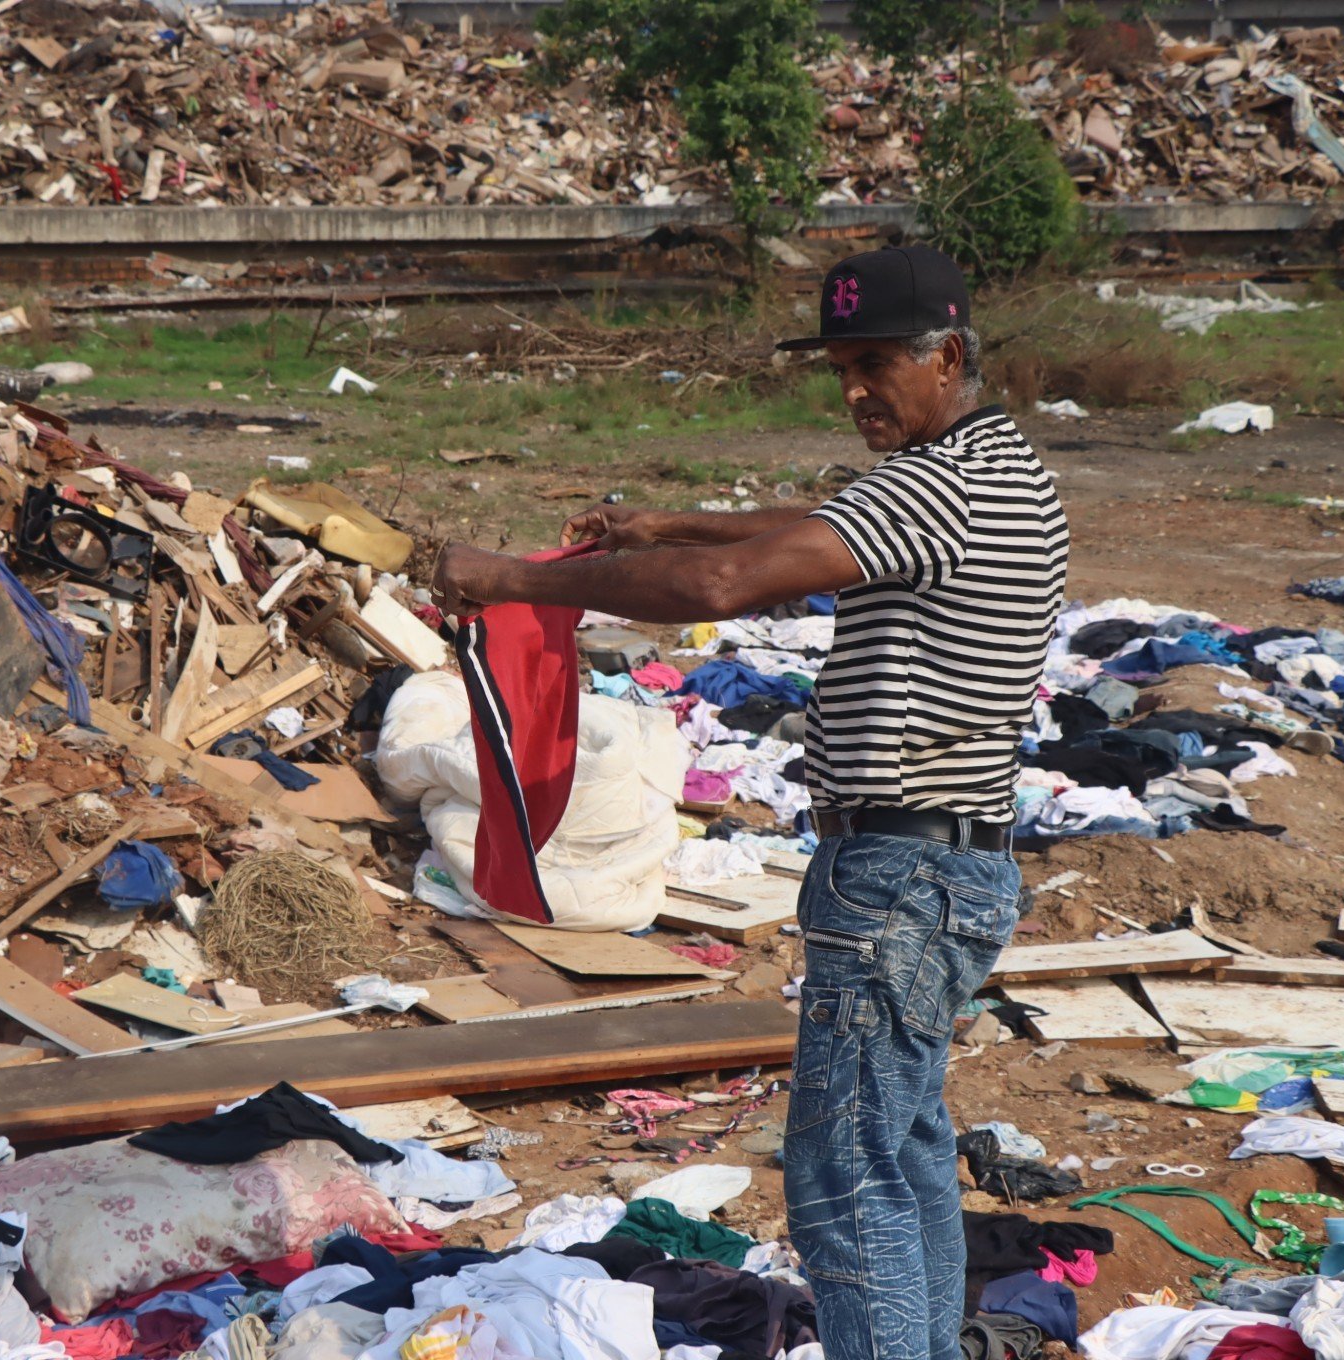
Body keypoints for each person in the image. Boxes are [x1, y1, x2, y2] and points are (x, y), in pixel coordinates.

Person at [431, 245, 1069, 1360]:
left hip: (899, 874)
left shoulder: (936, 483)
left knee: (843, 1173)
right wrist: (668, 524)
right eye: (841, 369)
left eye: (876, 364)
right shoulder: (997, 465)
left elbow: (727, 590)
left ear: (949, 355)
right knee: (906, 1148)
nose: (856, 391)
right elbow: (818, 526)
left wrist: (513, 580)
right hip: (957, 866)